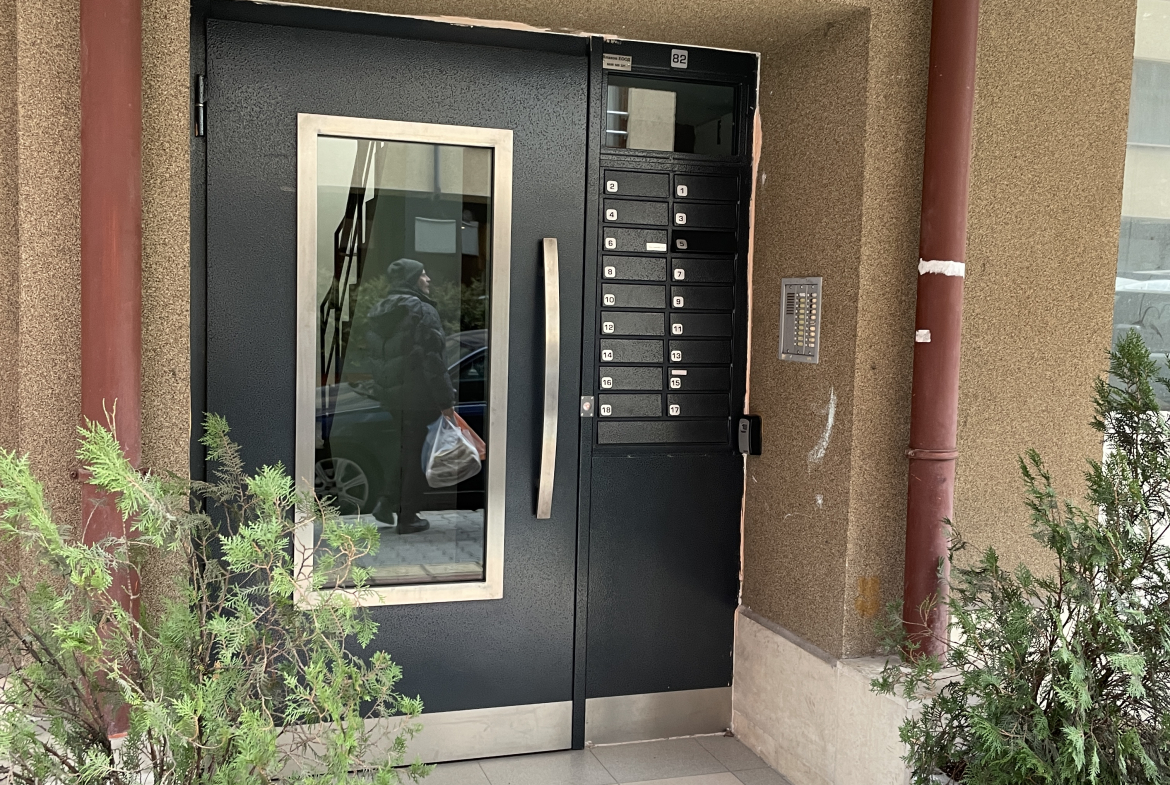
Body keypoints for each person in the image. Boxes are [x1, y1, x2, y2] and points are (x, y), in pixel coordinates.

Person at [366, 258, 456, 534]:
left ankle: (387, 501)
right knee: (417, 455)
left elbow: (377, 358)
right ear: (412, 279)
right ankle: (407, 517)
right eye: (423, 274)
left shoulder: (379, 311)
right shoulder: (422, 310)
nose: (428, 279)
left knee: (408, 449)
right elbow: (433, 360)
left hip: (394, 397)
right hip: (420, 397)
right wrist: (446, 401)